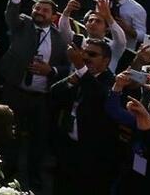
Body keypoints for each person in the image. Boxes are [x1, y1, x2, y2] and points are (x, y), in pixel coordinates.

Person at [0, 0, 70, 191]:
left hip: (40, 97)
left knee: (38, 140)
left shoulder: (59, 39)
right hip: (15, 90)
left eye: (45, 10)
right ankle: (5, 172)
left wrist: (52, 71)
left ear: (53, 17)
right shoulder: (22, 23)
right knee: (9, 134)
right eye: (37, 8)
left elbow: (67, 68)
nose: (39, 12)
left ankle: (34, 179)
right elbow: (9, 15)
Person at [50, 38, 122, 195]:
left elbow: (100, 97)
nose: (86, 57)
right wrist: (71, 79)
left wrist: (81, 68)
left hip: (91, 156)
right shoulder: (80, 75)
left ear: (106, 60)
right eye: (84, 53)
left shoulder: (112, 82)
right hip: (67, 146)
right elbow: (53, 93)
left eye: (92, 54)